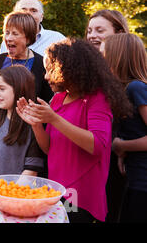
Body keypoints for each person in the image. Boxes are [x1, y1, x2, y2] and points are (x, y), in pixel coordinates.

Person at [16, 38, 132, 223]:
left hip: (78, 193)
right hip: (56, 187)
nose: (46, 77)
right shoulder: (58, 99)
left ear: (69, 68)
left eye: (50, 69)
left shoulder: (97, 99)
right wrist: (37, 124)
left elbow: (99, 145)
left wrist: (54, 118)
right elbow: (49, 149)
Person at [102, 33, 147, 223]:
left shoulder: (136, 88)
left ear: (118, 57)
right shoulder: (124, 90)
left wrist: (122, 146)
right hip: (134, 177)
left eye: (104, 56)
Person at [0, 65, 44, 185]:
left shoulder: (33, 126)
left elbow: (31, 171)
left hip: (12, 197)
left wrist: (8, 195)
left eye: (2, 89)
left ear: (19, 89)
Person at [0, 11, 53, 110]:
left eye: (15, 33)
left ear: (28, 38)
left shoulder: (41, 64)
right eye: (7, 33)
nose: (9, 38)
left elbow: (46, 103)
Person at [0, 0, 65, 56]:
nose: (28, 14)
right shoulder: (7, 43)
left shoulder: (57, 39)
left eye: (33, 11)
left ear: (41, 17)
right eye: (23, 10)